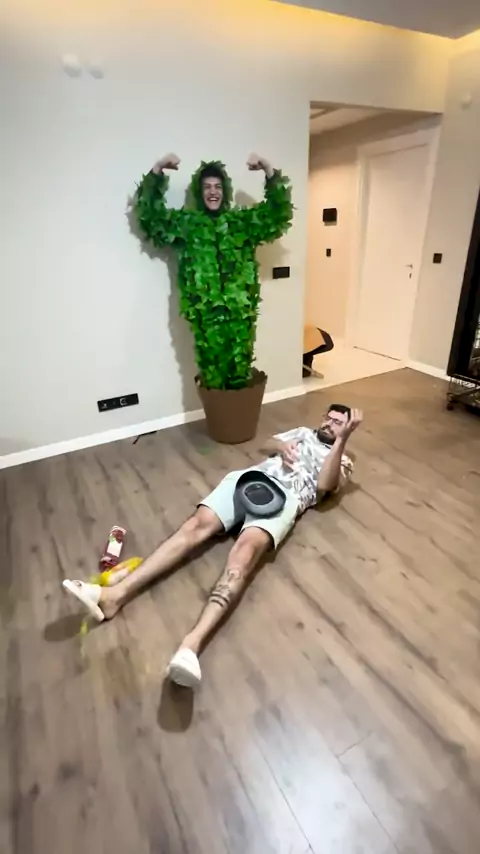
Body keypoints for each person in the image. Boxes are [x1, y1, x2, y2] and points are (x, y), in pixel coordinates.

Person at [63, 405, 363, 689]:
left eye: (338, 423)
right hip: (251, 480)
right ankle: (114, 595)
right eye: (328, 418)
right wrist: (281, 446)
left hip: (285, 499)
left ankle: (190, 647)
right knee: (195, 526)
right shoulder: (302, 432)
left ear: (346, 428)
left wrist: (342, 440)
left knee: (244, 555)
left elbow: (325, 486)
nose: (329, 423)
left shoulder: (343, 459)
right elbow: (266, 445)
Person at [133, 153, 293, 389]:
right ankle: (219, 412)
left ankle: (241, 412)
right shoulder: (187, 225)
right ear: (200, 192)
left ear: (224, 191)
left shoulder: (241, 223)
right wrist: (158, 169)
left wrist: (268, 169)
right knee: (213, 378)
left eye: (217, 186)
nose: (213, 192)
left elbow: (277, 214)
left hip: (240, 315)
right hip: (205, 317)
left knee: (240, 372)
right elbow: (151, 218)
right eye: (207, 187)